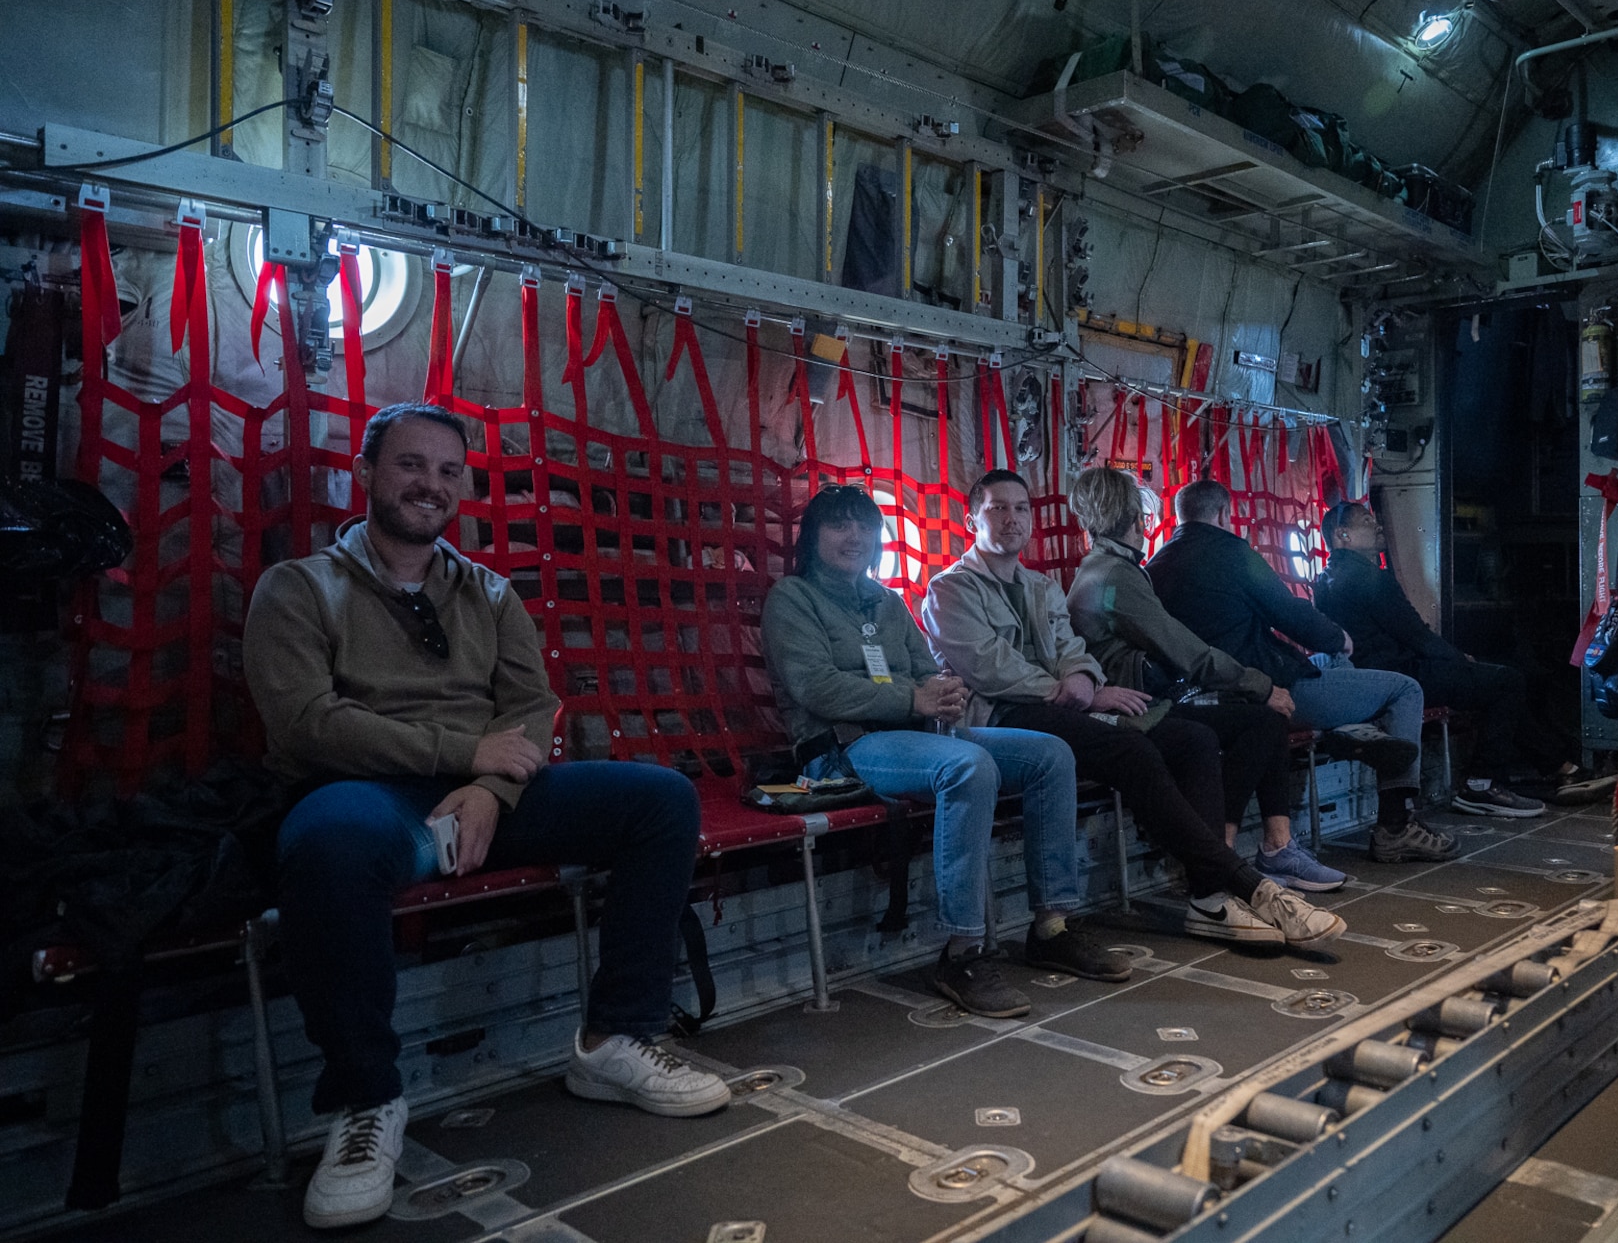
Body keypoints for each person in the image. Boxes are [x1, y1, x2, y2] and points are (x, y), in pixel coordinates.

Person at [243, 404, 729, 1230]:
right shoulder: (299, 588)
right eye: (409, 465)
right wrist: (464, 754)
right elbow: (306, 725)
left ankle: (615, 1039)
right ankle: (366, 1103)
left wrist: (490, 791)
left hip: (486, 788)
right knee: (328, 846)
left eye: (446, 471)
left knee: (660, 799)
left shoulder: (489, 592)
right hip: (363, 789)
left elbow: (532, 708)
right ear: (366, 473)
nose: (428, 484)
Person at [920, 468, 1345, 951]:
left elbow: (1071, 650)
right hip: (1000, 718)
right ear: (973, 516)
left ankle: (1211, 895)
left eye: (1021, 509)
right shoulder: (951, 589)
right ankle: (1246, 883)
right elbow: (991, 669)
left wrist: (1083, 681)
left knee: (1193, 739)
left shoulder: (1042, 587)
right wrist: (1079, 690)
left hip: (1068, 707)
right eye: (998, 508)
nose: (1012, 519)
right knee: (1131, 745)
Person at [760, 485, 1129, 1020]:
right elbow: (815, 687)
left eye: (865, 526)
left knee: (1050, 753)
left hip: (916, 737)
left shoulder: (885, 601)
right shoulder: (792, 599)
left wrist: (944, 693)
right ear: (812, 537)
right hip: (844, 748)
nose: (855, 537)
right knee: (968, 765)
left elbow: (923, 667)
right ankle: (963, 952)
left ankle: (1052, 926)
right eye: (840, 526)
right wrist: (913, 697)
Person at [1147, 480, 1461, 863]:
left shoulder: (1156, 564)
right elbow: (1288, 612)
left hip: (1198, 690)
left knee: (1331, 666)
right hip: (1265, 684)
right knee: (1405, 689)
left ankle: (1349, 729)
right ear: (1224, 514)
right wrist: (1336, 637)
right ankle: (1396, 825)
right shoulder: (1231, 553)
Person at [1065, 467, 1349, 892]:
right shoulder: (1115, 578)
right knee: (1261, 719)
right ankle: (1225, 855)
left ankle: (1270, 847)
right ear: (1135, 519)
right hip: (1142, 704)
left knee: (1259, 718)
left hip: (1144, 695)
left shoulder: (1103, 569)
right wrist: (1260, 684)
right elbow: (1185, 650)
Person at [1315, 501, 1575, 814]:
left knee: (1495, 682)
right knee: (1506, 681)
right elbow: (1418, 637)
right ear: (1343, 535)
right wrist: (1461, 660)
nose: (1378, 526)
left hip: (1365, 675)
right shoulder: (1371, 579)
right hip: (1399, 676)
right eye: (1368, 522)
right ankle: (1483, 783)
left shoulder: (1325, 580)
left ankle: (1561, 765)